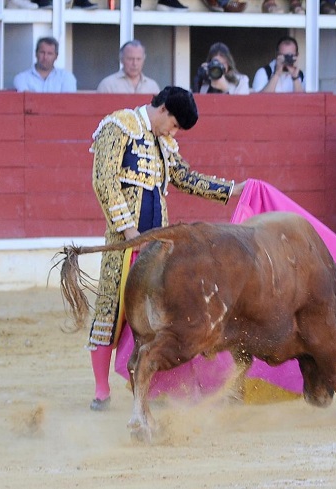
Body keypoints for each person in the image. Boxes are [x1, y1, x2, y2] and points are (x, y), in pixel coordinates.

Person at [87, 86, 246, 411]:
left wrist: (230, 190)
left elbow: (184, 178)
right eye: (173, 125)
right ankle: (101, 391)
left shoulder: (164, 143)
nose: (173, 132)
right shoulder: (120, 126)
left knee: (162, 312)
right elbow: (104, 180)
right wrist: (130, 231)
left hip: (158, 245)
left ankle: (154, 384)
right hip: (123, 244)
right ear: (162, 110)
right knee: (111, 311)